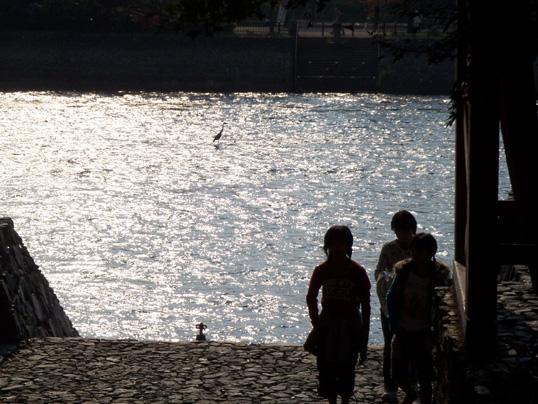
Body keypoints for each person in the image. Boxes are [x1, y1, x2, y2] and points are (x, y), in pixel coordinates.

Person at [306, 225, 371, 404]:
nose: (338, 248)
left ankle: (345, 399)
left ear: (348, 246)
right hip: (327, 323)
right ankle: (332, 400)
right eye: (334, 244)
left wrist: (364, 332)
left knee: (347, 366)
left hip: (350, 324)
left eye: (342, 243)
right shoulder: (321, 271)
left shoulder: (358, 272)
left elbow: (366, 303)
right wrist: (316, 322)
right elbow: (311, 296)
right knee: (326, 366)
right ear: (328, 246)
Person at [386, 233, 450, 404]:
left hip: (424, 331)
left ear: (431, 253)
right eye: (414, 251)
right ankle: (410, 393)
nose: (417, 255)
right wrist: (394, 324)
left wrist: (434, 331)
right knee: (397, 372)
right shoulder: (403, 272)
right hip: (403, 328)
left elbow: (443, 303)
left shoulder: (439, 275)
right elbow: (390, 298)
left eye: (421, 252)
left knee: (425, 375)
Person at [375, 210, 417, 403]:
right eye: (399, 231)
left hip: (413, 307)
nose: (403, 235)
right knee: (390, 347)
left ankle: (412, 383)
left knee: (413, 346)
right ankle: (390, 387)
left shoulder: (419, 247)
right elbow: (378, 273)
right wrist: (388, 278)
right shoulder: (388, 249)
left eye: (406, 231)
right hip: (390, 307)